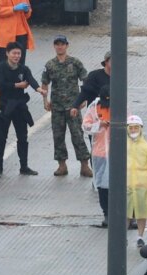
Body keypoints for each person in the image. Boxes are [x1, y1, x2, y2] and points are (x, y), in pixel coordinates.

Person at [40, 35, 90, 177]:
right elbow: (45, 83)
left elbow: (85, 80)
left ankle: (84, 165)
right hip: (57, 107)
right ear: (54, 46)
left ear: (67, 46)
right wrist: (45, 100)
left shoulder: (75, 63)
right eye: (57, 44)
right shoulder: (50, 65)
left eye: (62, 44)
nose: (60, 47)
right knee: (58, 136)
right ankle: (62, 165)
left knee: (78, 135)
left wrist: (83, 98)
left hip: (73, 106)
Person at [0, 44, 38, 177]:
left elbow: (31, 80)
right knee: (1, 138)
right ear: (7, 53)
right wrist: (17, 85)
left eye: (19, 53)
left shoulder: (24, 68)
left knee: (22, 137)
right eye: (14, 53)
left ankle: (24, 166)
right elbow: (0, 84)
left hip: (19, 107)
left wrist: (39, 89)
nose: (16, 56)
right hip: (4, 106)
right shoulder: (0, 68)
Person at [125, 115, 147, 243]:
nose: (133, 130)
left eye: (136, 127)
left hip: (142, 184)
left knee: (141, 212)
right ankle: (124, 236)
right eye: (130, 128)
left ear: (141, 128)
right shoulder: (123, 145)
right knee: (125, 212)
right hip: (126, 184)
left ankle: (140, 236)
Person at [85, 96, 110, 220]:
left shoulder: (121, 107)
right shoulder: (94, 108)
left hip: (117, 153)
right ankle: (106, 212)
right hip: (99, 152)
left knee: (119, 184)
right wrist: (99, 124)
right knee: (102, 184)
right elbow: (86, 126)